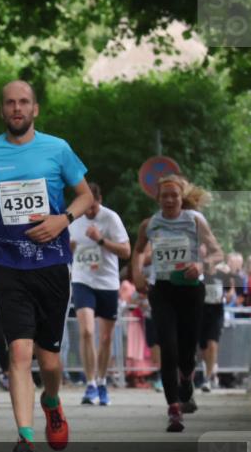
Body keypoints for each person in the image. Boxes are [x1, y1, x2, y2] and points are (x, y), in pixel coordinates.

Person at [0, 81, 93, 452]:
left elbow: (85, 196)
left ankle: (51, 401)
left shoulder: (58, 149)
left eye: (23, 102)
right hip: (9, 266)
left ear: (35, 109)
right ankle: (24, 439)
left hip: (51, 266)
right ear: (2, 111)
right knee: (19, 353)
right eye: (10, 103)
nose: (16, 108)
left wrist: (62, 220)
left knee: (49, 360)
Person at [131, 174, 223, 432]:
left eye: (174, 195)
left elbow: (217, 252)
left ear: (182, 197)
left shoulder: (195, 220)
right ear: (158, 199)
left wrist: (201, 265)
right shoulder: (150, 224)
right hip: (162, 290)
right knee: (168, 349)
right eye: (164, 196)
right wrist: (137, 273)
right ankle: (174, 409)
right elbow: (137, 251)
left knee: (186, 350)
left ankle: (187, 378)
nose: (170, 200)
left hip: (191, 290)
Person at [68, 182, 131, 406]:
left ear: (100, 200)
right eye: (86, 208)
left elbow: (126, 251)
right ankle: (91, 384)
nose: (89, 212)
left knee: (105, 338)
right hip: (82, 280)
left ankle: (103, 381)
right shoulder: (73, 218)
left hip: (107, 283)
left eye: (93, 207)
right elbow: (64, 250)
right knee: (86, 331)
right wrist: (69, 249)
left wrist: (100, 240)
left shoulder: (110, 218)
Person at [198, 261, 230, 392]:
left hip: (217, 311)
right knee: (203, 347)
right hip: (201, 311)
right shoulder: (199, 276)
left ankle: (208, 377)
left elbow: (230, 291)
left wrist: (226, 296)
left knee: (213, 343)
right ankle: (209, 368)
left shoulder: (222, 275)